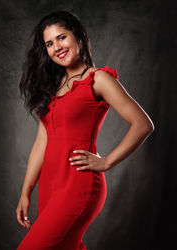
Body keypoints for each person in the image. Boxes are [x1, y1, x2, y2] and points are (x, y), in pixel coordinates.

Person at [16, 10, 154, 250]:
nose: (56, 47)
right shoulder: (52, 87)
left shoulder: (98, 79)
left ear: (79, 36)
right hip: (50, 187)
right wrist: (26, 192)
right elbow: (42, 141)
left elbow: (143, 124)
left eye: (62, 37)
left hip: (79, 186)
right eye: (49, 43)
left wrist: (107, 161)